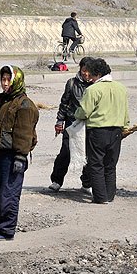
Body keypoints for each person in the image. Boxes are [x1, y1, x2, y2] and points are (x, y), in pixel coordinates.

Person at [0, 65, 39, 241]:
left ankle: (6, 231)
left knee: (8, 194)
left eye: (8, 80)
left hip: (12, 157)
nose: (4, 83)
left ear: (16, 80)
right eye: (3, 79)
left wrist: (21, 156)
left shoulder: (25, 105)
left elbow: (25, 134)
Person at [74, 58, 129, 204]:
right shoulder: (121, 88)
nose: (90, 78)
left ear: (97, 74)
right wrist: (125, 127)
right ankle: (110, 195)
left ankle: (100, 197)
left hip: (97, 132)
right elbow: (125, 112)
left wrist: (76, 114)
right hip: (117, 131)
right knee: (110, 165)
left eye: (91, 75)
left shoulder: (92, 90)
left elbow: (84, 112)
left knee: (96, 164)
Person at [49, 57, 94, 193]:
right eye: (84, 70)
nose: (86, 74)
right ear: (80, 69)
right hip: (72, 123)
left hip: (89, 124)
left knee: (89, 154)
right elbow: (64, 104)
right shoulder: (71, 83)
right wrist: (59, 121)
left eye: (89, 71)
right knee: (66, 151)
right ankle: (56, 181)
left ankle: (87, 183)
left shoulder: (96, 85)